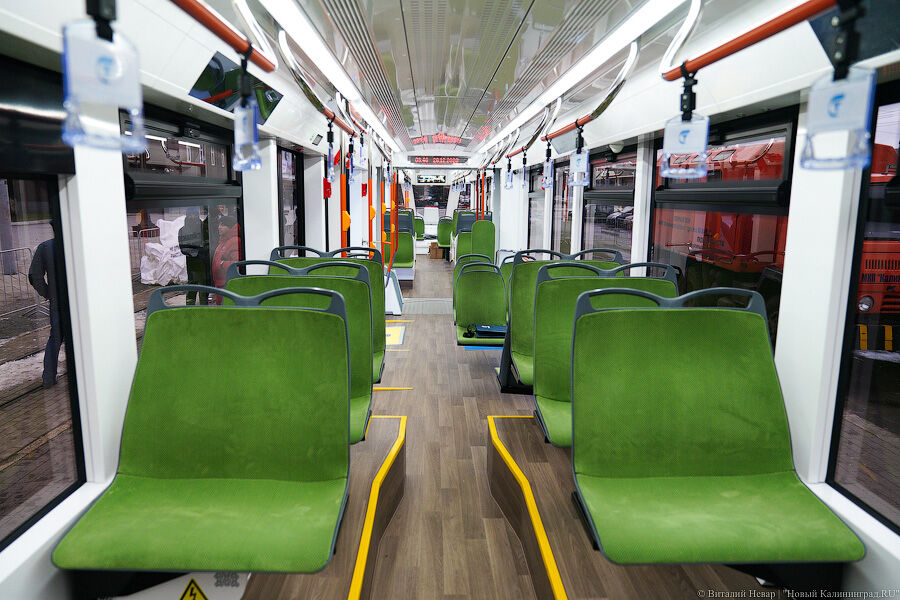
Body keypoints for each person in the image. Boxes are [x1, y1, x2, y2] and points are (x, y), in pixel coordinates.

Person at [28, 232, 62, 388]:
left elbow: (34, 276)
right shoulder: (77, 245)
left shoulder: (45, 247)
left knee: (55, 338)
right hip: (79, 301)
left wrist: (48, 293)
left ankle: (48, 376)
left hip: (58, 301)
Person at [178, 208, 210, 305]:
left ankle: (204, 306)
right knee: (192, 286)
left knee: (204, 286)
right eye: (191, 215)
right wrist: (195, 253)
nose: (193, 217)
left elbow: (209, 241)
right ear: (187, 216)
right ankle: (190, 307)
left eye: (195, 214)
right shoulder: (182, 230)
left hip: (204, 262)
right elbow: (183, 247)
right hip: (192, 263)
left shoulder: (203, 227)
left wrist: (204, 251)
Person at [211, 215, 241, 305]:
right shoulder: (224, 241)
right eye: (219, 224)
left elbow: (238, 264)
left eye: (223, 225)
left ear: (230, 227)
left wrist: (222, 264)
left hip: (227, 286)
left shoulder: (234, 241)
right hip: (220, 285)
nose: (219, 227)